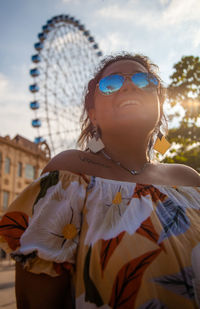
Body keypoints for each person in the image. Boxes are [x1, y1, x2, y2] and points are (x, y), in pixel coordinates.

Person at [0, 53, 200, 309]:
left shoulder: (190, 180)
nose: (128, 85)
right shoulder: (70, 173)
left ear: (159, 107)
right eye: (111, 84)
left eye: (143, 80)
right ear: (93, 115)